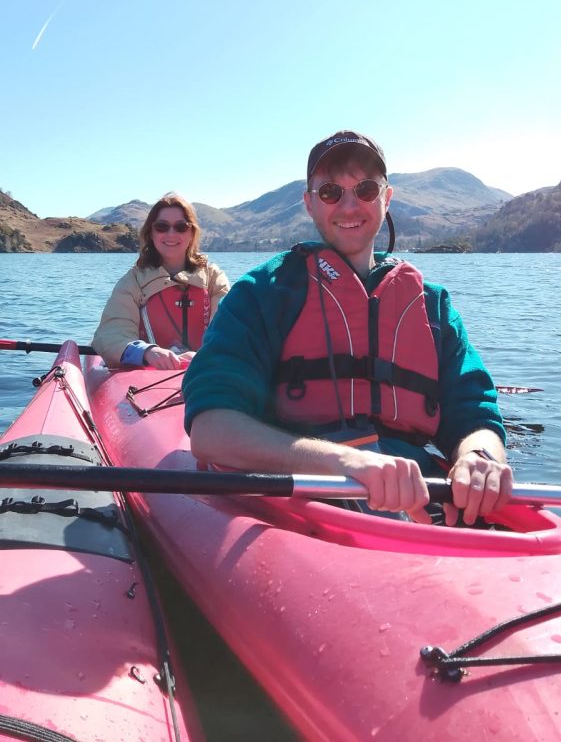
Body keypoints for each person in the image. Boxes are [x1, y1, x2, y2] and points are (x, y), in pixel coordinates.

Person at [184, 132, 512, 524]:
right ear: (309, 204)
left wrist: (480, 456)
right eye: (329, 193)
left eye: (366, 189)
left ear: (387, 197)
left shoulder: (433, 305)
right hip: (303, 499)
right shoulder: (262, 294)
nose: (349, 205)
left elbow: (475, 414)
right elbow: (211, 429)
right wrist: (347, 461)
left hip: (421, 494)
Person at [93, 192, 230, 369]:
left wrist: (204, 355)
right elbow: (111, 335)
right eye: (162, 227)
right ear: (151, 233)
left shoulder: (214, 278)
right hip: (145, 384)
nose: (171, 234)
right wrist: (147, 352)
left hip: (205, 375)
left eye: (181, 227)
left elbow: (229, 329)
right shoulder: (133, 282)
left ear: (192, 233)